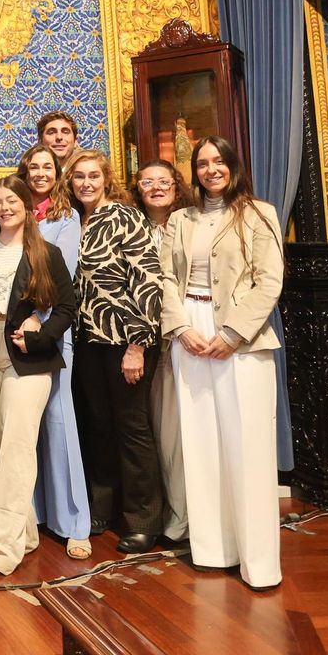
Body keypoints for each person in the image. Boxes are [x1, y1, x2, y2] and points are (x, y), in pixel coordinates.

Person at [160, 137, 285, 590]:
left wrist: (232, 332)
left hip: (240, 339)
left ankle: (258, 563)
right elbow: (164, 279)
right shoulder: (180, 218)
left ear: (232, 165)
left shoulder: (258, 213)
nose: (211, 169)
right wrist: (179, 328)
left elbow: (269, 281)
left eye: (218, 161)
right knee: (200, 444)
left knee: (245, 446)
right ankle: (213, 550)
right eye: (202, 163)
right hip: (189, 334)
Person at [0, 176, 78, 575]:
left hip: (30, 359)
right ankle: (26, 531)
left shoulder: (45, 252)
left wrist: (41, 334)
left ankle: (0, 549)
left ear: (27, 205)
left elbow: (67, 306)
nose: (4, 207)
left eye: (12, 200)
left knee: (15, 445)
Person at [62, 148, 165, 555]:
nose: (85, 183)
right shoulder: (73, 222)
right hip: (87, 339)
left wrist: (137, 346)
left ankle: (144, 521)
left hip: (125, 339)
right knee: (99, 425)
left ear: (106, 179)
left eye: (93, 176)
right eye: (78, 177)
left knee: (132, 427)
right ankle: (102, 508)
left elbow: (148, 280)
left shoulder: (124, 216)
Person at [20, 142, 90, 558]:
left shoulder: (66, 217)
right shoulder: (15, 209)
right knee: (24, 429)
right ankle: (32, 516)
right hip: (17, 331)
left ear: (56, 172)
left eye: (48, 167)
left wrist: (36, 317)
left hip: (52, 327)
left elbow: (59, 270)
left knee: (60, 424)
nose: (41, 173)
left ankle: (73, 520)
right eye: (34, 166)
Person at [134, 158, 195, 546]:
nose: (155, 187)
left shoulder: (191, 221)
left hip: (192, 335)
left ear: (176, 185)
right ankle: (174, 516)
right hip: (148, 341)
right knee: (162, 430)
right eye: (146, 182)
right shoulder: (132, 225)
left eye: (163, 181)